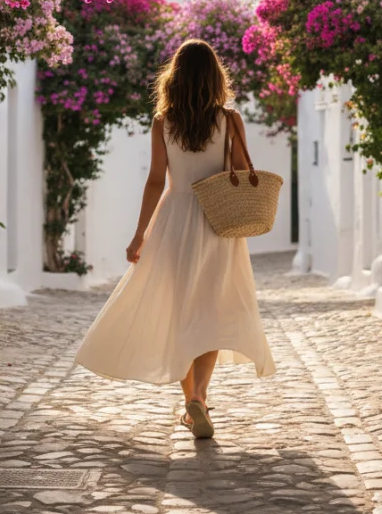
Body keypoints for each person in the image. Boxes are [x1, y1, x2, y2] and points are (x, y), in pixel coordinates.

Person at [74, 39, 276, 439]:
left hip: (174, 219)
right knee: (212, 313)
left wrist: (139, 236)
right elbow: (239, 171)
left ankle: (190, 404)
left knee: (181, 313)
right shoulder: (229, 119)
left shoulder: (163, 122)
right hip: (218, 222)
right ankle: (200, 397)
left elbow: (155, 182)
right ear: (216, 77)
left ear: (176, 77)